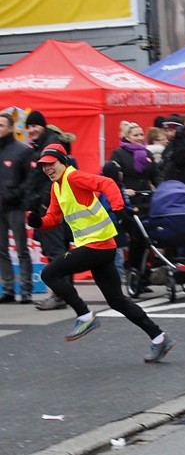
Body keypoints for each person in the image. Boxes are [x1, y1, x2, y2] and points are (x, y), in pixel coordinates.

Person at [26, 143, 176, 362]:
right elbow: (54, 218)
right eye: (43, 165)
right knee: (117, 302)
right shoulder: (57, 187)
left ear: (62, 162)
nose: (47, 168)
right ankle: (159, 337)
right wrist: (38, 222)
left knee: (49, 273)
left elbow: (107, 183)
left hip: (96, 246)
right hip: (99, 247)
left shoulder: (73, 177)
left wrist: (118, 209)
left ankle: (85, 315)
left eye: (51, 163)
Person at [23, 111, 70, 310]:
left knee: (56, 252)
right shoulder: (42, 145)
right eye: (29, 127)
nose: (31, 130)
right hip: (48, 204)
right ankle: (63, 293)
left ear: (43, 126)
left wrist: (40, 201)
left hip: (50, 206)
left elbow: (48, 178)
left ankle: (60, 295)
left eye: (35, 126)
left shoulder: (49, 146)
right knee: (56, 251)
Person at [0, 113, 33, 304]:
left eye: (2, 125)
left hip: (15, 207)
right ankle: (8, 289)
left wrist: (17, 194)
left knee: (21, 249)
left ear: (11, 128)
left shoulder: (22, 151)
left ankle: (26, 288)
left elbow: (29, 179)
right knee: (1, 250)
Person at [161, 117, 185, 196]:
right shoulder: (170, 145)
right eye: (166, 131)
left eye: (171, 130)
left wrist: (179, 139)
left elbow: (181, 159)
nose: (168, 134)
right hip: (171, 187)